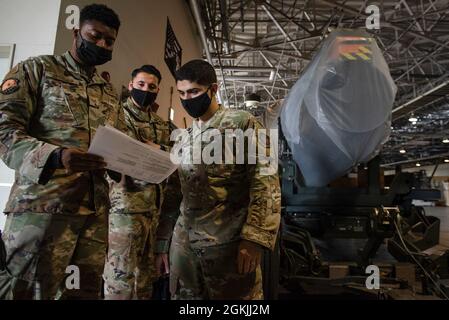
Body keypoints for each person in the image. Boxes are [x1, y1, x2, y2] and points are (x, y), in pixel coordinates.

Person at [0, 4, 124, 300]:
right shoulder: (36, 69)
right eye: (95, 36)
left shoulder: (106, 92)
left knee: (81, 293)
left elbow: (113, 143)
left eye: (109, 41)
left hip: (93, 218)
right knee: (26, 292)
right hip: (42, 212)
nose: (102, 45)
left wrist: (125, 162)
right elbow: (4, 132)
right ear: (76, 31)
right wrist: (56, 156)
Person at [162, 59, 281, 300]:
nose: (187, 99)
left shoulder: (242, 124)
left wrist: (255, 238)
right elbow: (175, 193)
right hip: (185, 248)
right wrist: (162, 241)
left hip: (227, 247)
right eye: (182, 93)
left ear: (213, 89)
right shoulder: (184, 137)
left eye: (194, 91)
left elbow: (265, 182)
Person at [103, 65, 172, 300]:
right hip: (124, 211)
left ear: (157, 90)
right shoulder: (115, 117)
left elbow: (176, 154)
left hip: (152, 212)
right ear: (131, 85)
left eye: (152, 87)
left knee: (144, 281)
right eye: (141, 85)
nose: (146, 90)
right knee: (120, 279)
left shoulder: (161, 125)